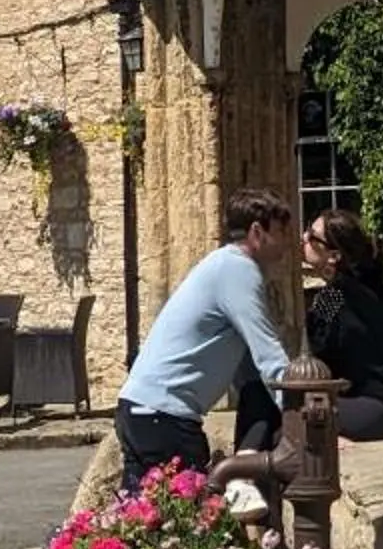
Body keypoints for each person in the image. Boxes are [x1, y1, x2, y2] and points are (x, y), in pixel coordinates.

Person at [114, 189, 292, 490]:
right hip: (164, 417)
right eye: (281, 231)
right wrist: (305, 421)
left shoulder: (221, 264)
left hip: (141, 408)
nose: (287, 240)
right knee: (189, 521)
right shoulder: (240, 270)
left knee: (139, 520)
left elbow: (251, 368)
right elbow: (269, 356)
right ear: (257, 232)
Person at [240, 208, 383, 447]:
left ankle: (242, 471)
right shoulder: (369, 290)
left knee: (265, 405)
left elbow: (315, 356)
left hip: (360, 409)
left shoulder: (335, 295)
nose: (303, 239)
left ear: (334, 255)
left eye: (312, 237)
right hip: (376, 412)